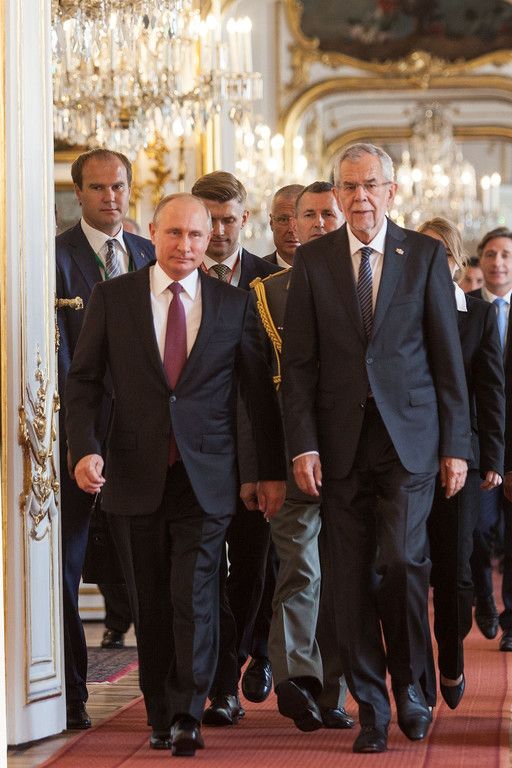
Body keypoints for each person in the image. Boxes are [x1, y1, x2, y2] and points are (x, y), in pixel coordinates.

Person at [65, 193, 286, 756]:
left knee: (196, 594)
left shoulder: (234, 304)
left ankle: (188, 711)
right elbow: (84, 381)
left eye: (196, 235)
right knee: (151, 601)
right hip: (133, 473)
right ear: (151, 233)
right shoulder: (113, 299)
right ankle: (159, 711)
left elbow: (257, 396)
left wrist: (266, 473)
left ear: (209, 237)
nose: (186, 245)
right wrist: (85, 450)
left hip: (206, 477)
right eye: (174, 234)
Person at [281, 143, 471, 754]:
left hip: (410, 442)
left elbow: (447, 360)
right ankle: (371, 707)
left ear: (391, 190)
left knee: (403, 561)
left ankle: (411, 686)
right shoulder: (313, 260)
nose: (359, 196)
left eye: (370, 185)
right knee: (348, 577)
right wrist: (302, 446)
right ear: (336, 194)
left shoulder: (423, 255)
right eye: (348, 185)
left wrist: (456, 446)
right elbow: (299, 366)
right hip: (338, 446)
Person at [247, 181, 352, 731]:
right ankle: (298, 682)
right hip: (292, 456)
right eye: (305, 215)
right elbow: (254, 394)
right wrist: (262, 468)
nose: (316, 224)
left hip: (356, 455)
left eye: (327, 214)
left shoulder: (368, 283)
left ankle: (335, 690)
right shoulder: (266, 294)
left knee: (343, 575)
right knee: (300, 568)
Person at [56, 148, 155, 729]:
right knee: (65, 573)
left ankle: (162, 696)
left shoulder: (149, 254)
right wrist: (79, 440)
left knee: (146, 573)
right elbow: (61, 362)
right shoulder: (56, 257)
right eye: (97, 188)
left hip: (143, 442)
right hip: (76, 444)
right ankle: (70, 695)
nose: (110, 197)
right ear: (79, 194)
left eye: (118, 186)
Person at [191, 171, 281, 725]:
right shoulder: (175, 277)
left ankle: (247, 654)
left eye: (228, 220)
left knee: (251, 570)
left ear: (244, 219)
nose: (219, 232)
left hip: (258, 452)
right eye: (210, 221)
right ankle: (222, 684)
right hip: (196, 453)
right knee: (203, 572)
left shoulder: (272, 281)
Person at [417, 217, 504, 709]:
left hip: (463, 458)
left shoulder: (478, 314)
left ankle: (451, 658)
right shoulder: (396, 311)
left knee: (456, 568)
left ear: (454, 261)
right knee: (405, 566)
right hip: (404, 457)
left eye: (441, 254)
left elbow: (490, 390)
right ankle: (416, 676)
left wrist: (493, 456)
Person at [468, 227, 512, 651]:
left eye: (506, 255)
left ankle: (511, 618)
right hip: (477, 442)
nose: (498, 262)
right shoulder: (465, 308)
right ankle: (484, 595)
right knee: (479, 530)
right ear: (480, 259)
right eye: (492, 254)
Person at [263, 184, 304, 267]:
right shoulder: (251, 272)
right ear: (271, 223)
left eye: (299, 219)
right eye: (283, 219)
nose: (291, 230)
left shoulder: (329, 270)